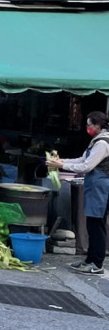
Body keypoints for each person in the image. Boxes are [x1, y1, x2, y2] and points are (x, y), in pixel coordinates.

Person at [47, 110, 109, 275]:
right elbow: (81, 160)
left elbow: (87, 166)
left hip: (100, 187)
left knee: (97, 225)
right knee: (91, 223)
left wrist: (61, 166)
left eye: (89, 124)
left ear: (98, 125)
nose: (87, 127)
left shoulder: (102, 144)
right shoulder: (95, 141)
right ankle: (89, 259)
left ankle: (97, 263)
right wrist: (61, 162)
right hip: (94, 185)